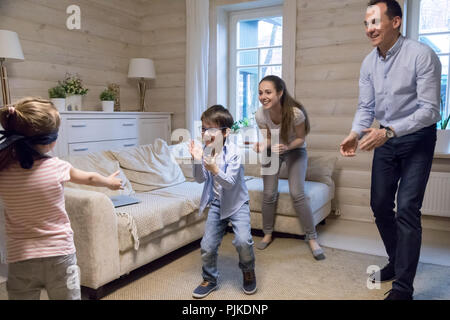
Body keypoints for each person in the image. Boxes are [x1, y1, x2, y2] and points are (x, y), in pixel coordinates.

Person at [340, 0, 441, 300]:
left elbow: (430, 110)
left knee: (408, 208)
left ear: (395, 22)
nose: (369, 28)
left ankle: (403, 288)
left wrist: (390, 131)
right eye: (366, 23)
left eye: (375, 21)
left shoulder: (421, 55)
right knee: (380, 205)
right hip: (385, 136)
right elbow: (366, 107)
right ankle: (397, 262)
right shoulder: (368, 63)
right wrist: (354, 133)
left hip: (417, 138)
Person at [0, 97, 123, 300]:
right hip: (60, 255)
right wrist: (109, 182)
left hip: (20, 257)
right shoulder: (57, 167)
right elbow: (90, 178)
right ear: (50, 141)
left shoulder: (4, 171)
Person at [253, 75, 325, 261]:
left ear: (280, 92)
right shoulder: (260, 114)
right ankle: (267, 233)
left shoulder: (295, 113)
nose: (263, 96)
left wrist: (287, 147)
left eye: (268, 92)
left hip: (295, 150)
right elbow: (268, 138)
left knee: (297, 193)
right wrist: (262, 145)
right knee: (269, 193)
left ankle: (312, 238)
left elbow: (301, 138)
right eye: (260, 93)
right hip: (273, 151)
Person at [189, 105, 256, 299]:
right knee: (207, 245)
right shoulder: (206, 151)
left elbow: (229, 183)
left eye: (211, 129)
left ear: (225, 132)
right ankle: (209, 278)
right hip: (217, 204)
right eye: (203, 128)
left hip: (237, 204)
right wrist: (196, 160)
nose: (205, 133)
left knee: (243, 241)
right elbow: (200, 179)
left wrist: (215, 169)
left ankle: (248, 271)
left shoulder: (234, 152)